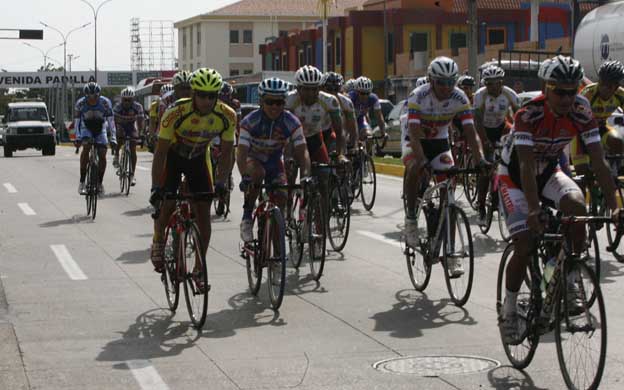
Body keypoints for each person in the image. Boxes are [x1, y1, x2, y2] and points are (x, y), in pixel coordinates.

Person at [497, 56, 621, 344]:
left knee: (577, 209)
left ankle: (568, 277)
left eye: (573, 90)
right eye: (560, 91)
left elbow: (600, 163)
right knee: (525, 243)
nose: (567, 98)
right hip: (515, 177)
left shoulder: (581, 111)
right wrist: (534, 209)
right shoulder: (528, 114)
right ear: (546, 88)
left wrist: (616, 208)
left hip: (550, 171)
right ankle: (510, 309)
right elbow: (526, 166)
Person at [402, 56, 486, 276]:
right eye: (441, 82)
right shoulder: (418, 96)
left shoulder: (459, 98)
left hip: (439, 140)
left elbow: (471, 133)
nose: (446, 87)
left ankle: (450, 252)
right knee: (414, 167)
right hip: (415, 139)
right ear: (431, 80)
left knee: (448, 189)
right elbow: (413, 133)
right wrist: (421, 161)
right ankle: (411, 219)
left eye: (451, 82)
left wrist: (480, 160)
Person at [149, 68, 236, 273]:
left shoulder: (227, 115)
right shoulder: (175, 112)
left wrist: (221, 182)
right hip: (173, 156)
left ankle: (199, 266)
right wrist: (156, 187)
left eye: (212, 96)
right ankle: (158, 238)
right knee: (168, 203)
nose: (207, 101)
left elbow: (226, 154)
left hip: (198, 158)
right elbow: (160, 153)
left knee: (204, 213)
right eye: (202, 95)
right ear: (193, 94)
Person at [237, 78, 312, 241]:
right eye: (270, 102)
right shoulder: (250, 121)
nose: (274, 107)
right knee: (257, 173)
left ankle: (277, 257)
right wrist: (244, 176)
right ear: (261, 101)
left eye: (279, 102)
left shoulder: (291, 121)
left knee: (283, 196)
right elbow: (241, 152)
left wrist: (306, 175)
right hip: (254, 159)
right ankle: (247, 217)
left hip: (275, 161)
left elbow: (302, 151)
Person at [474, 65, 521, 224]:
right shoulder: (480, 96)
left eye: (496, 83)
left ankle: (500, 196)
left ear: (502, 82)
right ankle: (480, 205)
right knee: (486, 168)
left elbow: (519, 118)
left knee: (507, 162)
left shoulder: (509, 94)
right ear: (484, 84)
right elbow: (477, 121)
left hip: (501, 129)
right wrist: (485, 141)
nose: (493, 87)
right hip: (484, 130)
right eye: (489, 84)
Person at [570, 60, 624, 178]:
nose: (604, 88)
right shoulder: (588, 93)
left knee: (617, 141)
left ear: (616, 87)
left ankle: (613, 172)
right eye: (602, 83)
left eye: (609, 85)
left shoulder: (620, 95)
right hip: (581, 132)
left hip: (601, 128)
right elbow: (575, 120)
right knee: (583, 174)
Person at [74, 82, 116, 195]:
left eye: (95, 97)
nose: (92, 99)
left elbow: (111, 122)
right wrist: (78, 137)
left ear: (99, 95)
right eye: (89, 97)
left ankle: (99, 183)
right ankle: (82, 182)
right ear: (85, 96)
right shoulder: (80, 104)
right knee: (86, 147)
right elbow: (77, 122)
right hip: (86, 127)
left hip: (100, 127)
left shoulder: (105, 103)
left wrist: (113, 137)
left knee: (102, 153)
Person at [112, 87, 145, 186]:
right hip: (120, 125)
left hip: (131, 126)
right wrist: (114, 134)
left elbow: (140, 122)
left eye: (129, 100)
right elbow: (113, 122)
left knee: (133, 148)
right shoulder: (117, 107)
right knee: (119, 139)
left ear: (133, 99)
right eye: (124, 99)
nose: (126, 102)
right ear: (121, 99)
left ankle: (132, 175)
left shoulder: (138, 107)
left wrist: (141, 133)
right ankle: (117, 155)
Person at [322, 72, 358, 152]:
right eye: (329, 89)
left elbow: (352, 125)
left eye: (336, 89)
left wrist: (354, 143)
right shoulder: (318, 99)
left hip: (337, 130)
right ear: (322, 88)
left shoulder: (346, 102)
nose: (333, 92)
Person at [349, 76, 387, 142]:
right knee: (349, 138)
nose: (365, 96)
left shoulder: (373, 98)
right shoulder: (350, 98)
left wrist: (383, 133)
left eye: (368, 93)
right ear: (356, 91)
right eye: (362, 93)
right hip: (348, 121)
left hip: (360, 120)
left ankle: (368, 152)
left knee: (369, 136)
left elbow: (379, 117)